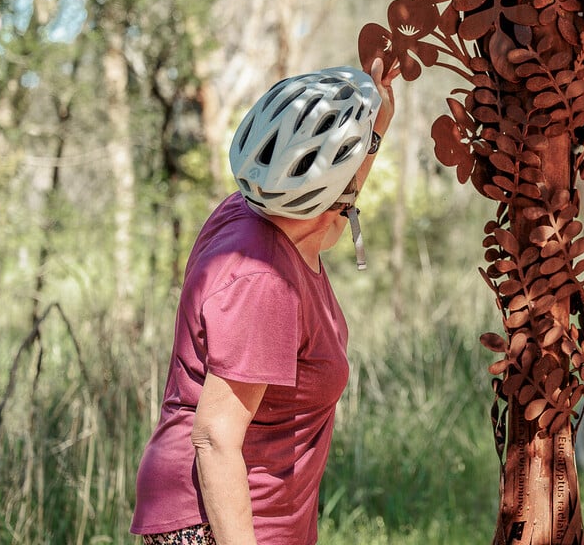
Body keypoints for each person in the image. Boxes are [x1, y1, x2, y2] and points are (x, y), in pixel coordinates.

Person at [132, 58, 397, 545]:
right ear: (335, 201)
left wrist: (375, 126)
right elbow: (214, 438)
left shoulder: (253, 212)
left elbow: (330, 198)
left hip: (261, 517)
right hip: (217, 523)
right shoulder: (264, 281)